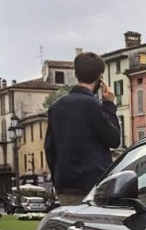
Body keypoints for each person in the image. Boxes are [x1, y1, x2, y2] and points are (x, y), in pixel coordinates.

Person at [45, 52, 123, 206]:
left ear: (76, 73)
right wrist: (109, 105)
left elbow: (49, 148)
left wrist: (58, 179)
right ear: (100, 77)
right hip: (92, 184)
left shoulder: (56, 107)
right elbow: (114, 139)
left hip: (65, 185)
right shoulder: (95, 106)